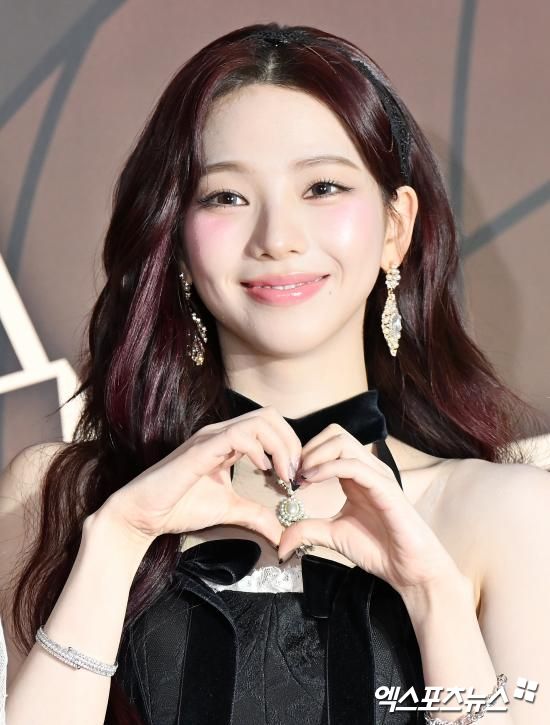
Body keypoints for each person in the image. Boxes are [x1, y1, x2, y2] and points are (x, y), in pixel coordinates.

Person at [0, 21, 549, 725]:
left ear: (395, 227)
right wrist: (117, 540)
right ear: (177, 243)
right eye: (226, 197)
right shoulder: (55, 498)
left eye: (322, 187)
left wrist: (431, 593)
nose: (277, 238)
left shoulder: (506, 512)